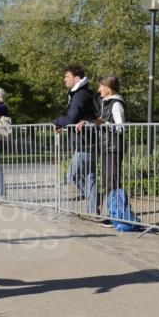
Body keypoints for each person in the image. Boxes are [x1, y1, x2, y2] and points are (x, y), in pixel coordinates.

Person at [79, 74, 126, 226]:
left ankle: (117, 216)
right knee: (108, 181)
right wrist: (89, 121)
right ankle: (114, 214)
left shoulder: (116, 103)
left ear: (109, 88)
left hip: (113, 147)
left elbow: (120, 127)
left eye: (101, 86)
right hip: (106, 147)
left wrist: (104, 123)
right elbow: (102, 121)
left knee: (112, 181)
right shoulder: (106, 102)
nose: (99, 89)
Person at [53, 64, 98, 215]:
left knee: (71, 176)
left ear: (77, 78)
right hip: (89, 140)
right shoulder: (84, 94)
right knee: (90, 177)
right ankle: (93, 211)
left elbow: (71, 118)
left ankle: (95, 200)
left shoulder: (79, 95)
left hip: (85, 142)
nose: (64, 79)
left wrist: (57, 121)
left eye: (67, 76)